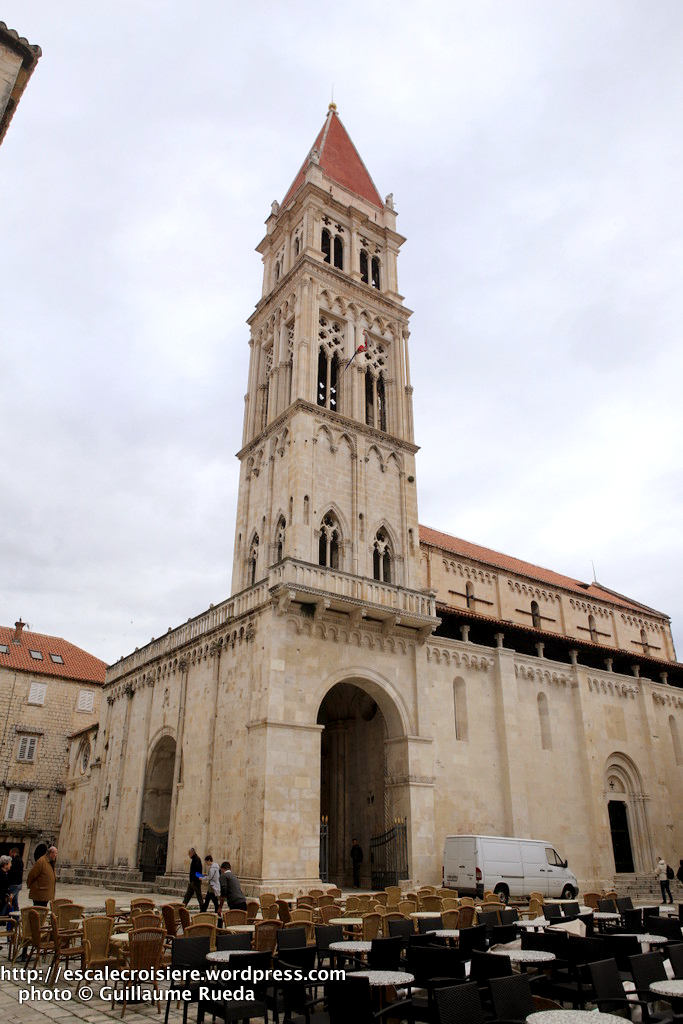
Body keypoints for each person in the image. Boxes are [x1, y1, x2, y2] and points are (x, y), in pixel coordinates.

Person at [7, 847, 23, 912]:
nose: (10, 855)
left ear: (14, 853)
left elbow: (12, 872)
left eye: (10, 853)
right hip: (18, 883)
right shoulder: (20, 860)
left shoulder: (14, 861)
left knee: (11, 900)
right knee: (14, 901)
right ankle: (16, 917)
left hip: (14, 883)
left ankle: (14, 916)